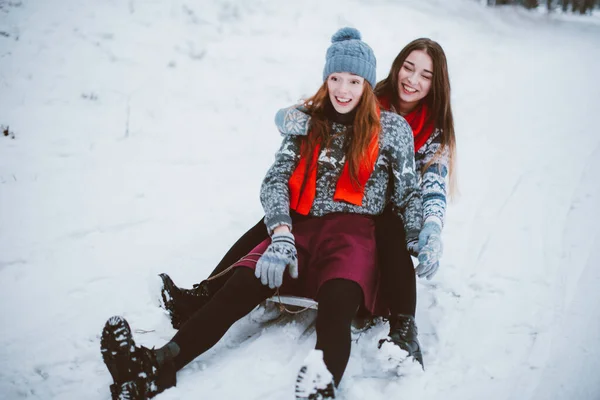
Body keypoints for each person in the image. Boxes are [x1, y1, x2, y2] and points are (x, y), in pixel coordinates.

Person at [100, 27, 422, 400]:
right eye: (335, 78)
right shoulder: (307, 122)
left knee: (337, 303)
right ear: (325, 78)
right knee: (238, 287)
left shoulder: (392, 130)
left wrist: (421, 234)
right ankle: (155, 366)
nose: (343, 89)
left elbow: (408, 196)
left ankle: (323, 383)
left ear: (367, 83)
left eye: (353, 80)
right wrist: (281, 233)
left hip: (355, 237)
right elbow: (275, 181)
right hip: (301, 229)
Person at [158, 36, 456, 367]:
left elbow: (428, 188)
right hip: (324, 202)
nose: (413, 80)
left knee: (389, 228)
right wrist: (293, 119)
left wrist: (429, 227)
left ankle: (404, 327)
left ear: (435, 84)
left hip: (376, 212)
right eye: (408, 68)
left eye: (425, 75)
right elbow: (311, 125)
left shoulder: (429, 132)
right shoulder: (365, 92)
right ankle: (205, 296)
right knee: (281, 214)